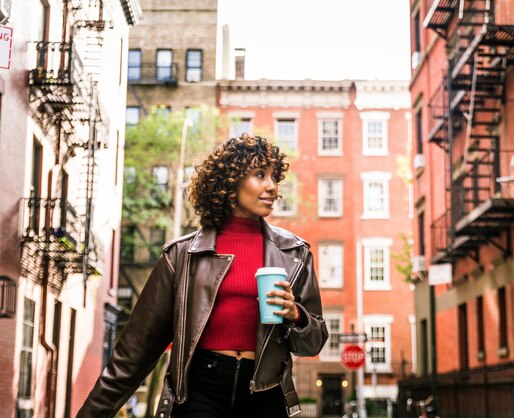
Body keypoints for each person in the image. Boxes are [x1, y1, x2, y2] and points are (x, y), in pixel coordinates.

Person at [77, 134, 328, 418]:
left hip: (267, 391)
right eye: (260, 175)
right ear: (230, 183)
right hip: (200, 391)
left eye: (274, 177)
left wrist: (296, 316)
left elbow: (313, 343)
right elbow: (134, 353)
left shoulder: (294, 253)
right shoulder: (182, 255)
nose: (272, 186)